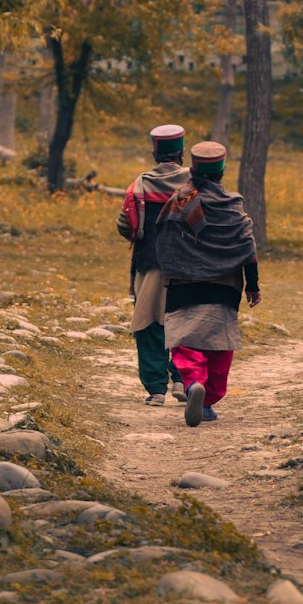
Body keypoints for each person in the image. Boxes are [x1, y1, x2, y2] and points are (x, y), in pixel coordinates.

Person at [156, 140, 260, 427]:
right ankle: (208, 402)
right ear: (222, 173)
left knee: (186, 342)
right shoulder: (233, 206)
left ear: (193, 169)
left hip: (184, 284)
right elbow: (248, 248)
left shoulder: (180, 200)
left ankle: (192, 385)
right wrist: (252, 286)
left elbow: (163, 240)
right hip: (223, 287)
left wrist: (172, 271)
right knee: (218, 346)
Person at [116, 123, 190, 405]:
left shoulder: (140, 185)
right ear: (181, 152)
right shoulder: (192, 184)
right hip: (187, 267)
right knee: (184, 322)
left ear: (154, 152)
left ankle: (156, 389)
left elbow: (125, 225)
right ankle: (182, 380)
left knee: (149, 326)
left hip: (149, 265)